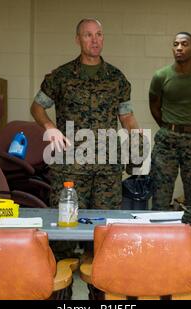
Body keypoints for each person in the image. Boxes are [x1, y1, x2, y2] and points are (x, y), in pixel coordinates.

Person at [30, 18, 140, 211]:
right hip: (70, 168)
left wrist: (138, 149)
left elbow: (127, 117)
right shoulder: (61, 76)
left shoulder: (116, 78)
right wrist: (50, 127)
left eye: (98, 34)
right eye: (88, 35)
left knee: (104, 230)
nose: (94, 40)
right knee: (66, 229)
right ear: (78, 39)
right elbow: (37, 107)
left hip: (107, 170)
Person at [149, 32, 191, 210]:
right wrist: (169, 127)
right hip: (166, 141)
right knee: (160, 197)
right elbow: (154, 107)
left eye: (184, 44)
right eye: (176, 44)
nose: (179, 48)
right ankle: (159, 237)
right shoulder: (160, 76)